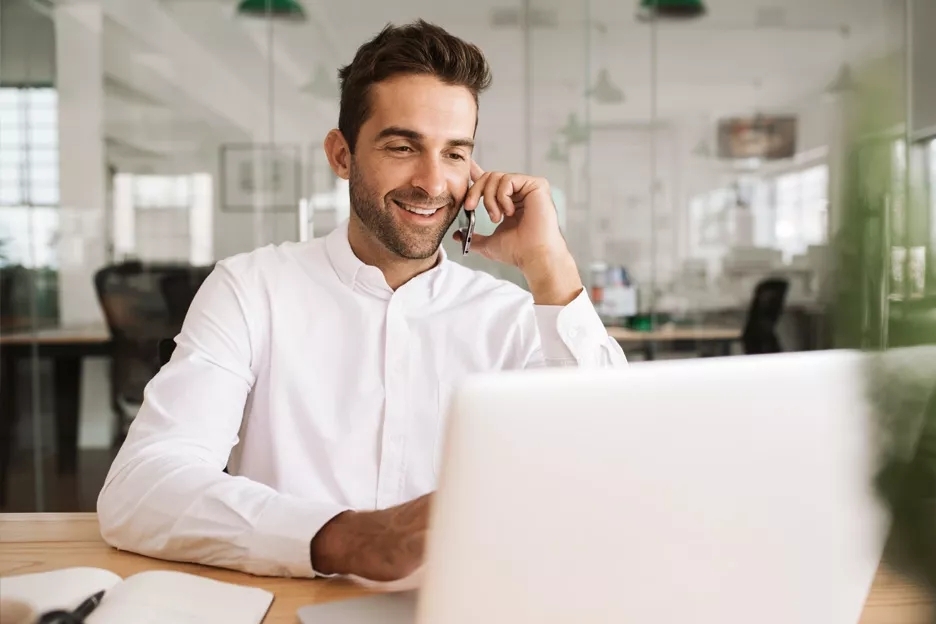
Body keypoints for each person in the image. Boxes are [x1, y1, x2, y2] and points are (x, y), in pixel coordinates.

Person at [97, 19, 627, 583]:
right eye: (403, 146)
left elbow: (614, 475)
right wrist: (348, 538)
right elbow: (141, 488)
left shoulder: (513, 317)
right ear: (342, 155)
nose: (431, 182)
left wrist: (551, 268)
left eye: (454, 155)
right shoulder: (252, 290)